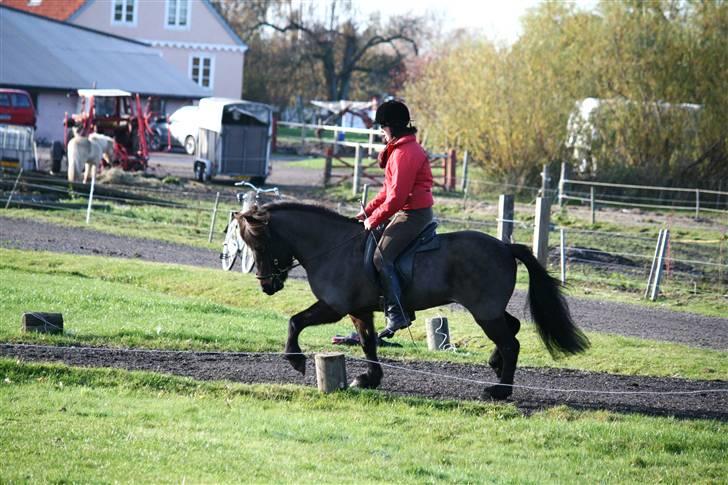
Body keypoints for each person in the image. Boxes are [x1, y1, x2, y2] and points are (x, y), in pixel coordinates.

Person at [355, 99, 434, 339]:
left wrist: (373, 219)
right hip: (404, 211)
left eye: (381, 127)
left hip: (413, 214)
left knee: (381, 257)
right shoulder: (400, 149)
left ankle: (397, 312)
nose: (380, 131)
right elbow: (386, 192)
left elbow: (397, 198)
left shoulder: (405, 153)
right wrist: (367, 212)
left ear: (390, 126)